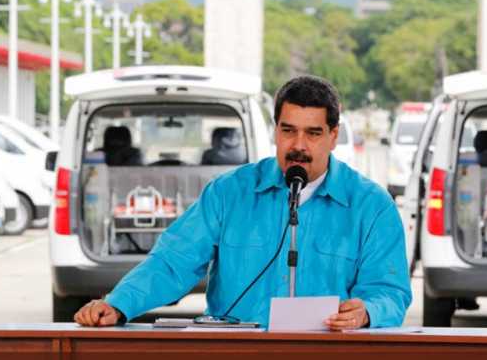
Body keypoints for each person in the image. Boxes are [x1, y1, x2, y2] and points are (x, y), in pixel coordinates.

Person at [74, 76, 411, 330]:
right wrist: (118, 305)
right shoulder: (228, 193)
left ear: (334, 136)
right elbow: (173, 262)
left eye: (313, 133)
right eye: (288, 130)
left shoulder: (372, 206)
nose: (298, 145)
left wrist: (367, 312)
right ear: (275, 131)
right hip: (238, 351)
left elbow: (389, 291)